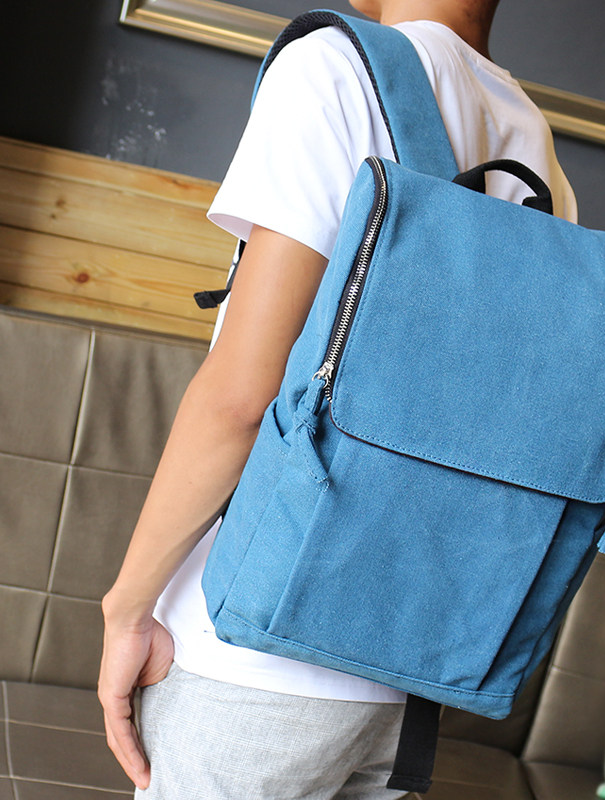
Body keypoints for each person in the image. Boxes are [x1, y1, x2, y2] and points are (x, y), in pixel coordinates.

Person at [98, 1, 578, 797]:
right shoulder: (531, 139)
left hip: (253, 659)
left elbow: (244, 396)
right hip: (402, 677)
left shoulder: (336, 68)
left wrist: (126, 608)